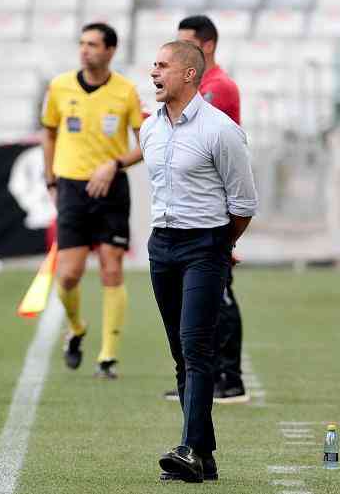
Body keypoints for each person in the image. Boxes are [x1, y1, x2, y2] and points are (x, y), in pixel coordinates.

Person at [140, 41, 257, 482]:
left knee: (196, 348)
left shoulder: (220, 130)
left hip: (204, 247)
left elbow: (243, 203)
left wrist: (220, 245)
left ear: (189, 74)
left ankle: (189, 448)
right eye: (154, 65)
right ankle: (204, 456)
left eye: (163, 66)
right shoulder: (149, 128)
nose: (154, 72)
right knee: (180, 353)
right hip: (162, 245)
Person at [41, 22, 144, 379]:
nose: (85, 50)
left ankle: (108, 357)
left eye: (94, 44)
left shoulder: (126, 92)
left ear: (110, 51)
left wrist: (114, 165)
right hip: (71, 188)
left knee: (111, 267)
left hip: (112, 189)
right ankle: (77, 328)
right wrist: (51, 180)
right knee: (68, 276)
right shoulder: (59, 87)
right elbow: (49, 133)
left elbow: (147, 143)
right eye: (82, 43)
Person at [160, 14, 249, 404]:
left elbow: (214, 149)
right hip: (195, 218)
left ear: (206, 46)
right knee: (203, 302)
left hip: (211, 217)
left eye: (187, 44)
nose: (181, 52)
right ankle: (203, 380)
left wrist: (226, 236)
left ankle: (229, 378)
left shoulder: (218, 90)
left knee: (221, 296)